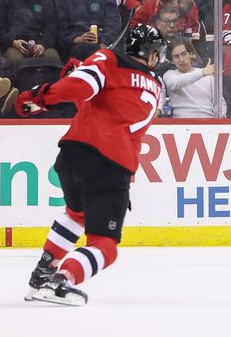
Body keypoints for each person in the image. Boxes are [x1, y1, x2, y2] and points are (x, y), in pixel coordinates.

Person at [18, 24, 167, 306]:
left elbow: (80, 88)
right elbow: (104, 98)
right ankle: (61, 280)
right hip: (111, 163)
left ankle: (42, 273)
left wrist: (38, 96)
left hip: (72, 153)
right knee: (105, 246)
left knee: (76, 214)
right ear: (151, 55)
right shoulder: (156, 87)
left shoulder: (107, 59)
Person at [163, 38, 225, 118]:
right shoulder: (169, 75)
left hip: (208, 125)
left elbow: (220, 104)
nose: (181, 59)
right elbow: (176, 82)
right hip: (180, 126)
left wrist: (217, 120)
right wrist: (202, 72)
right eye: (176, 56)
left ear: (191, 54)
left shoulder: (207, 76)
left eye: (184, 54)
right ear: (172, 60)